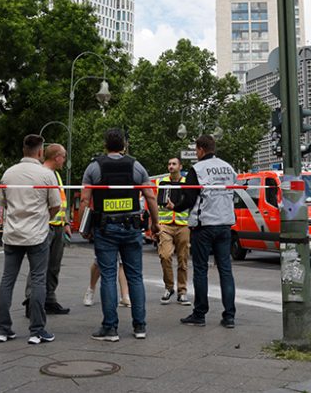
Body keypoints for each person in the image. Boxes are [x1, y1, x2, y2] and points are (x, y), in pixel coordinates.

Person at [79, 128, 159, 342]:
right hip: (132, 227)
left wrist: (84, 228)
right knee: (135, 276)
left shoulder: (94, 167)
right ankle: (140, 326)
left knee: (108, 276)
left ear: (105, 145)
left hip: (105, 228)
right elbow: (150, 197)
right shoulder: (136, 166)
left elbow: (85, 200)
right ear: (124, 145)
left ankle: (110, 328)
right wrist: (156, 224)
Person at [0, 134, 60, 345]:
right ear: (40, 152)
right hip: (37, 235)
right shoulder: (46, 175)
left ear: (24, 150)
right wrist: (44, 219)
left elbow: (2, 204)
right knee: (38, 280)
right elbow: (56, 205)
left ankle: (3, 330)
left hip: (12, 234)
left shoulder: (8, 174)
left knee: (7, 280)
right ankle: (37, 330)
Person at [172, 134, 238, 329]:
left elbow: (189, 199)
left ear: (200, 149)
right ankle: (229, 316)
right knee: (225, 270)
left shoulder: (197, 169)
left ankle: (200, 314)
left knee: (201, 270)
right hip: (225, 225)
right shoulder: (228, 168)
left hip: (204, 225)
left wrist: (174, 206)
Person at [155, 157, 191, 305]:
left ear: (180, 166)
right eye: (169, 164)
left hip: (183, 224)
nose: (171, 166)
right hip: (165, 224)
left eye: (174, 164)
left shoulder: (187, 183)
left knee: (183, 259)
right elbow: (155, 203)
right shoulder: (160, 182)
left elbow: (191, 202)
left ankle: (182, 291)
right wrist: (155, 222)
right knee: (164, 255)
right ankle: (169, 287)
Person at [43, 143, 71, 315]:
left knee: (54, 267)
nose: (65, 160)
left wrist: (66, 222)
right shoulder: (43, 174)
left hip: (58, 226)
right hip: (45, 226)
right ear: (57, 157)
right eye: (64, 156)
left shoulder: (57, 176)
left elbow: (60, 202)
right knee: (39, 267)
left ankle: (50, 299)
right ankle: (32, 301)